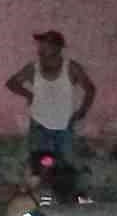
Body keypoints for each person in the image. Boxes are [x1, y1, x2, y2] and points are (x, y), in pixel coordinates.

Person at [5, 31, 96, 166]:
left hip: (64, 126)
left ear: (58, 47)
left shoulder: (71, 67)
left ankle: (59, 178)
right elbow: (11, 83)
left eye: (46, 45)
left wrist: (82, 110)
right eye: (40, 45)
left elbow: (90, 89)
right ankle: (41, 177)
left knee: (64, 165)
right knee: (41, 165)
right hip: (39, 125)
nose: (41, 48)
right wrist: (29, 95)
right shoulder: (33, 68)